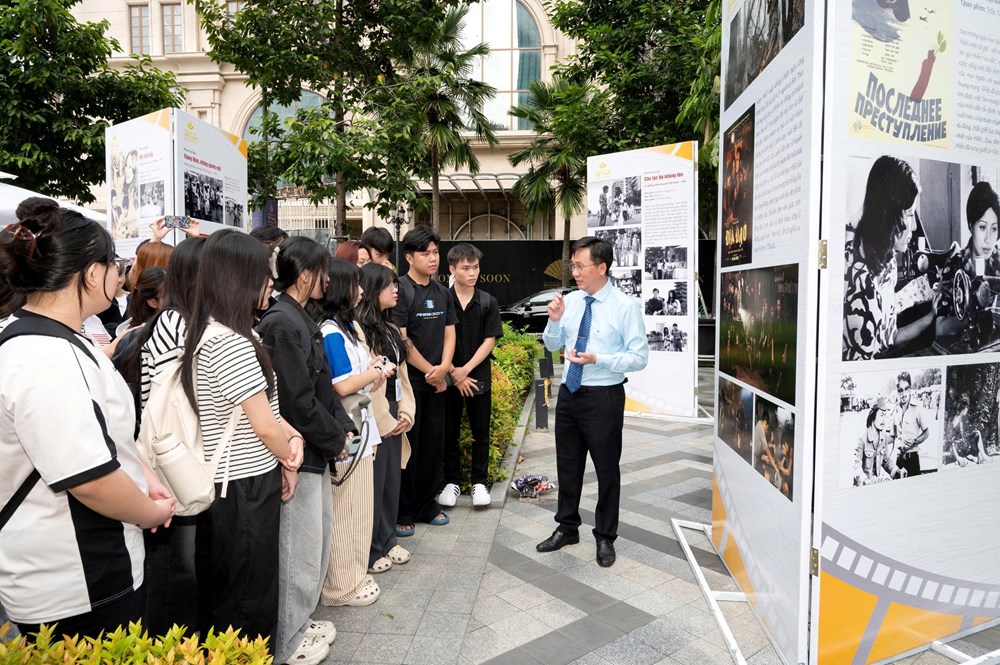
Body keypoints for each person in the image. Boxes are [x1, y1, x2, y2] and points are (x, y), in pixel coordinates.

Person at [0, 198, 175, 640]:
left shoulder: (46, 337)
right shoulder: (45, 356)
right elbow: (90, 478)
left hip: (72, 570)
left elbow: (100, 437)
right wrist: (149, 510)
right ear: (91, 274)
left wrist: (144, 475)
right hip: (78, 579)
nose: (121, 275)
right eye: (114, 264)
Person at [179, 230, 303, 651]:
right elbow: (265, 425)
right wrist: (289, 458)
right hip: (244, 485)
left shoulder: (218, 332)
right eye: (263, 274)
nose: (270, 283)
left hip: (239, 482)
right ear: (237, 277)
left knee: (235, 592)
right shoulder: (230, 342)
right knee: (248, 600)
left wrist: (290, 440)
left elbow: (268, 417)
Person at [257, 237, 354, 664]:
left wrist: (341, 430)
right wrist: (334, 438)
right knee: (298, 549)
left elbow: (321, 387)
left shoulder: (300, 316)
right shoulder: (281, 322)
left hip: (316, 449)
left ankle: (300, 621)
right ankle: (288, 637)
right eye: (322, 269)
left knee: (314, 544)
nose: (328, 278)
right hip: (301, 453)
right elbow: (297, 399)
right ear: (304, 273)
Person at [536, 237, 648, 568]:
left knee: (606, 469)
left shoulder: (624, 307)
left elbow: (638, 357)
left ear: (602, 267)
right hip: (570, 394)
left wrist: (599, 358)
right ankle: (567, 527)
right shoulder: (570, 301)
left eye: (580, 266)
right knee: (567, 464)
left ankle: (605, 537)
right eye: (573, 265)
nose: (574, 272)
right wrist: (554, 320)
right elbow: (552, 343)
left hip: (604, 397)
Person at [114, 236, 206, 636]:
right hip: (169, 456)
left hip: (176, 454)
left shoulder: (187, 318)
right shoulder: (176, 322)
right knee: (175, 566)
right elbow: (176, 402)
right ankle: (167, 645)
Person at [315, 258, 392, 607]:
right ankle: (340, 586)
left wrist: (374, 372)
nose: (362, 291)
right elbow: (342, 385)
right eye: (356, 285)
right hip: (349, 432)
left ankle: (354, 576)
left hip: (363, 430)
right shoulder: (330, 332)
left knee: (360, 510)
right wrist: (374, 369)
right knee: (348, 512)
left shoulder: (345, 328)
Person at [392, 228, 457, 536]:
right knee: (410, 448)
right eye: (426, 253)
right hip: (410, 384)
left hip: (438, 382)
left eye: (435, 252)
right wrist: (431, 370)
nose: (433, 259)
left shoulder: (442, 291)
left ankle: (427, 506)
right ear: (409, 257)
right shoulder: (401, 290)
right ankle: (403, 511)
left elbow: (449, 331)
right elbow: (401, 339)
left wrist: (443, 367)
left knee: (433, 446)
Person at [843, 156, 938, 359]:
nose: (913, 227)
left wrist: (932, 317)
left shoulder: (888, 262)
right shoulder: (862, 285)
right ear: (889, 216)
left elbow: (890, 337)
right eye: (910, 215)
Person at [356, 263, 415, 574]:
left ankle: (389, 539)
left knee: (392, 481)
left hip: (394, 409)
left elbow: (402, 377)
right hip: (375, 415)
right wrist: (387, 420)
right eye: (389, 285)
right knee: (374, 484)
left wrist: (405, 412)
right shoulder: (358, 330)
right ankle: (372, 548)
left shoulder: (391, 329)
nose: (396, 289)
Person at [437, 244, 503, 508]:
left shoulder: (487, 301)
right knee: (448, 433)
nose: (472, 272)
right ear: (452, 269)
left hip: (479, 378)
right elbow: (435, 338)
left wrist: (466, 370)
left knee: (480, 433)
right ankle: (451, 482)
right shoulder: (442, 299)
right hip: (448, 377)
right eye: (466, 268)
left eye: (475, 267)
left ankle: (479, 483)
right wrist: (454, 371)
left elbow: (490, 340)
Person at [936, 181, 1000, 337]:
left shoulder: (998, 262)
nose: (988, 239)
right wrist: (979, 315)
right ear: (971, 226)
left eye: (994, 229)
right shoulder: (954, 266)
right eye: (983, 227)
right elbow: (940, 329)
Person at [892, 371, 928, 477]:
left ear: (910, 389)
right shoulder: (895, 409)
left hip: (912, 459)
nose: (903, 394)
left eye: (906, 389)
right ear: (897, 391)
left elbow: (926, 432)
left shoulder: (917, 407)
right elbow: (892, 436)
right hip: (899, 460)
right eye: (900, 390)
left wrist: (915, 442)